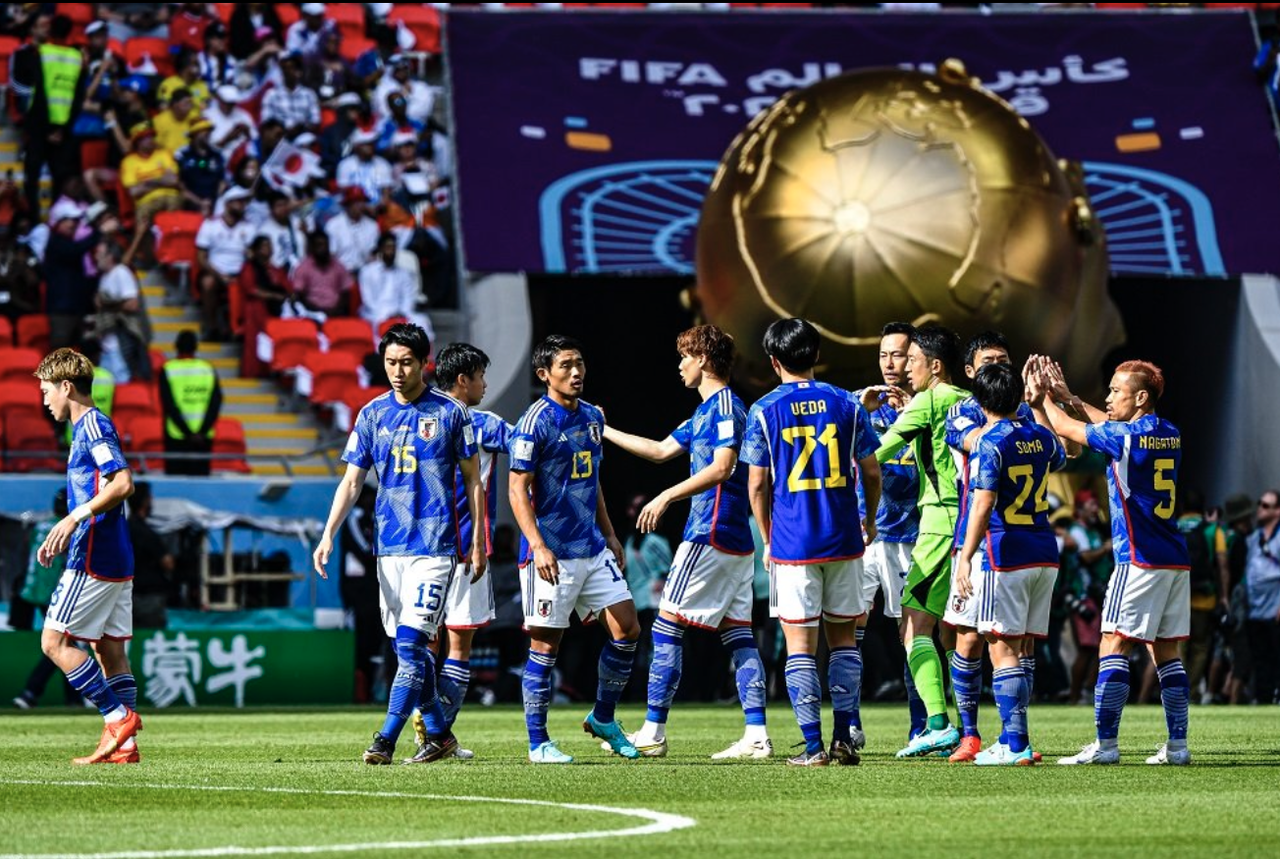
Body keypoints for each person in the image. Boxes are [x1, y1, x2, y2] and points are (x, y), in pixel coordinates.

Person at [313, 323, 487, 764]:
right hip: (388, 549)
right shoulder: (372, 414)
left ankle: (385, 740)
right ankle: (440, 734)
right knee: (406, 651)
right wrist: (328, 533)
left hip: (435, 547)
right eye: (390, 362)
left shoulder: (451, 413)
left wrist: (478, 540)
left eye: (406, 362)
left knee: (411, 647)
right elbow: (352, 481)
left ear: (424, 363)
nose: (397, 370)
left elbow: (473, 480)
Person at [603, 324, 773, 759]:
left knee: (666, 625)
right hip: (733, 540)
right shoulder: (705, 412)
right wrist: (605, 429)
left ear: (703, 359)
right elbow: (660, 451)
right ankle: (756, 734)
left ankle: (653, 731)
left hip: (710, 533)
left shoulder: (726, 406)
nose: (680, 365)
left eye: (685, 356)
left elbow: (722, 467)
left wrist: (666, 496)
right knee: (739, 634)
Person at [1033, 358, 1194, 766]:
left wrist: (1042, 397)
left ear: (1140, 398)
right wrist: (1071, 398)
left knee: (1113, 643)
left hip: (1137, 557)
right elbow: (1108, 423)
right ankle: (1177, 746)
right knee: (1167, 650)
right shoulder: (1169, 432)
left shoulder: (1122, 437)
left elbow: (1067, 429)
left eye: (1116, 391)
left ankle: (1105, 745)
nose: (1108, 397)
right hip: (1174, 559)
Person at [740, 318, 881, 767]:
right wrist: (869, 519)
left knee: (800, 647)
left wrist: (767, 538)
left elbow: (757, 485)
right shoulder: (848, 403)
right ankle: (843, 738)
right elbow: (871, 471)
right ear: (817, 354)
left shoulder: (764, 409)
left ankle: (814, 747)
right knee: (844, 642)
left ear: (773, 361)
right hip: (844, 539)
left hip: (793, 544)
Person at [508, 335, 641, 764]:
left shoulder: (592, 417)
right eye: (565, 365)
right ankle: (538, 743)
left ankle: (603, 717)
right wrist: (537, 545)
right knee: (545, 647)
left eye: (579, 363)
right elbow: (516, 489)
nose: (576, 372)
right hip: (552, 553)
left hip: (592, 546)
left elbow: (591, 480)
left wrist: (610, 534)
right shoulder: (534, 423)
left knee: (627, 629)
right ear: (544, 374)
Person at [33, 348, 143, 764]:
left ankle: (118, 718)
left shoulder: (92, 425)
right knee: (109, 650)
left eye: (47, 391)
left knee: (53, 642)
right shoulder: (87, 428)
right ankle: (125, 747)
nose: (45, 401)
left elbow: (123, 483)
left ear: (66, 387)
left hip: (94, 553)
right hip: (116, 554)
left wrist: (74, 518)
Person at [953, 363, 1066, 765]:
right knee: (1022, 647)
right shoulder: (1041, 435)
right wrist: (1038, 406)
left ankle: (1015, 744)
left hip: (1006, 553)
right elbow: (1062, 456)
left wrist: (965, 557)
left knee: (1001, 648)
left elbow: (982, 504)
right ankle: (1013, 739)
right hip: (1044, 552)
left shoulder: (989, 441)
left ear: (981, 401)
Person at [409, 343, 512, 759]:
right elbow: (530, 445)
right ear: (463, 379)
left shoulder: (418, 419)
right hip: (468, 548)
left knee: (422, 645)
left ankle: (431, 732)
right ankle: (437, 733)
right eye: (481, 376)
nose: (485, 384)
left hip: (420, 549)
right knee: (458, 646)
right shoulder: (483, 424)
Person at [940, 330, 1037, 762]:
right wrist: (1019, 420)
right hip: (976, 539)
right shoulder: (962, 411)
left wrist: (1038, 405)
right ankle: (971, 734)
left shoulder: (1025, 410)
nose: (998, 367)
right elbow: (974, 441)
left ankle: (1013, 737)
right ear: (969, 370)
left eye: (1003, 360)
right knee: (968, 637)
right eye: (988, 361)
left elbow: (1064, 451)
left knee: (1018, 642)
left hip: (1013, 542)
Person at [873, 324, 967, 758]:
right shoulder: (969, 401)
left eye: (912, 360)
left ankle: (937, 724)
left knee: (913, 624)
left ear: (936, 365)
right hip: (971, 524)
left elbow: (877, 453)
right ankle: (969, 728)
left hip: (938, 523)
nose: (906, 369)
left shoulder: (927, 402)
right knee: (965, 631)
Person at [855, 321, 923, 747]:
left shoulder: (929, 407)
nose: (890, 362)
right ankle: (849, 723)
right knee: (848, 624)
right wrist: (860, 411)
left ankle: (922, 727)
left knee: (913, 634)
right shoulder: (858, 403)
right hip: (864, 533)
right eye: (883, 354)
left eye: (898, 354)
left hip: (910, 534)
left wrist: (913, 413)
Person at [1066, 489, 1112, 704]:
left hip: (1096, 596)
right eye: (1091, 505)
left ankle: (1086, 692)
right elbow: (1085, 557)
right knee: (1087, 648)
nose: (1096, 509)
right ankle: (1075, 695)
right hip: (1082, 595)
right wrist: (1106, 548)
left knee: (1096, 647)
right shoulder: (1077, 531)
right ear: (1079, 509)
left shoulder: (1092, 531)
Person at [158, 330, 222, 477]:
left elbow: (168, 405)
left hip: (176, 437)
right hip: (203, 438)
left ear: (176, 346)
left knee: (176, 483)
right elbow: (215, 403)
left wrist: (187, 433)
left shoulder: (168, 369)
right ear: (196, 347)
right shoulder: (207, 369)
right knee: (201, 483)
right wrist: (201, 432)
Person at [195, 187, 256, 341]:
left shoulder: (249, 227)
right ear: (228, 204)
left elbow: (253, 255)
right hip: (216, 271)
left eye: (243, 202)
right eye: (238, 202)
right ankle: (212, 327)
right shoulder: (210, 225)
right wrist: (220, 275)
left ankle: (241, 328)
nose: (242, 205)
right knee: (208, 283)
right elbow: (201, 257)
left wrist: (250, 255)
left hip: (241, 273)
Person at [120, 124, 182, 266]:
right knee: (143, 218)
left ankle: (171, 254)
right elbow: (133, 191)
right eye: (145, 138)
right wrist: (161, 180)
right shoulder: (129, 162)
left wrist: (147, 182)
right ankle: (147, 258)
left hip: (170, 197)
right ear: (137, 142)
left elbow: (174, 180)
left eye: (151, 137)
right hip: (146, 202)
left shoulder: (163, 154)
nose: (151, 140)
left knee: (174, 206)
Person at [93, 239, 151, 384]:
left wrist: (107, 306)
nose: (96, 257)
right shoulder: (105, 277)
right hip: (107, 345)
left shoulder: (121, 273)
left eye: (100, 253)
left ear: (110, 256)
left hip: (119, 346)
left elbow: (133, 304)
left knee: (121, 386)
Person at [1243, 489, 1280, 704]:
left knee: (1276, 656)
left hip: (1274, 608)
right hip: (1254, 609)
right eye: (1260, 504)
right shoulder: (1253, 538)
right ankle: (1263, 698)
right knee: (1259, 658)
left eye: (1266, 505)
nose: (1260, 509)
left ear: (1278, 511)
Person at [358, 232, 430, 336]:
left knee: (422, 321)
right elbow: (368, 300)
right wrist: (387, 314)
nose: (391, 251)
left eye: (393, 248)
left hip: (399, 313)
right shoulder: (367, 271)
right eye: (388, 247)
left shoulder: (404, 273)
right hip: (375, 313)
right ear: (380, 249)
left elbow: (408, 298)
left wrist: (401, 313)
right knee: (382, 327)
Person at [127, 482, 174, 629]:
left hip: (124, 596)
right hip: (149, 598)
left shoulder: (122, 530)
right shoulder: (147, 533)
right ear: (145, 501)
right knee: (151, 635)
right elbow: (167, 563)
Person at [292, 231, 353, 317]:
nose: (323, 248)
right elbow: (299, 295)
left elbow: (346, 293)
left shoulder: (338, 266)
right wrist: (317, 311)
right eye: (319, 245)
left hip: (336, 313)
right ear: (312, 247)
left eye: (325, 245)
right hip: (312, 314)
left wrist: (336, 310)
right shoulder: (303, 268)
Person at [261, 52, 321, 135]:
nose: (288, 71)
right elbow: (266, 121)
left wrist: (300, 128)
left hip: (303, 135)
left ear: (299, 72)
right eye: (285, 68)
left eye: (292, 68)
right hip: (280, 136)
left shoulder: (309, 94)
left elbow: (315, 121)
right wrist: (284, 130)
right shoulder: (271, 95)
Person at [326, 188, 381, 275]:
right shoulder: (333, 225)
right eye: (356, 202)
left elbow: (374, 255)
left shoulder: (372, 226)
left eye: (362, 202)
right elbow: (331, 256)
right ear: (348, 204)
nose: (360, 206)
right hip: (341, 273)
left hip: (365, 272)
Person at [153, 87, 201, 154]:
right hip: (167, 157)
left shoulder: (194, 117)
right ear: (175, 104)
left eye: (190, 103)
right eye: (186, 103)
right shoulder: (159, 121)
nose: (189, 107)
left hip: (190, 155)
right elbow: (156, 145)